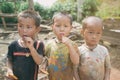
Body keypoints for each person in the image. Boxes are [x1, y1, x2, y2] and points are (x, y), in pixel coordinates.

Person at [6, 10, 44, 80]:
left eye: (28, 27)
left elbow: (39, 61)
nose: (24, 30)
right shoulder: (13, 45)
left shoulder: (38, 44)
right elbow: (9, 60)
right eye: (21, 26)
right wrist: (9, 70)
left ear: (37, 29)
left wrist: (31, 48)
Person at [44, 12, 79, 80]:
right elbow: (45, 59)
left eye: (65, 26)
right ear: (52, 27)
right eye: (58, 26)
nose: (62, 29)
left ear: (70, 28)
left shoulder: (73, 45)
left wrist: (69, 45)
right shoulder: (49, 44)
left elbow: (76, 61)